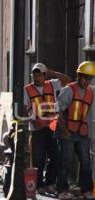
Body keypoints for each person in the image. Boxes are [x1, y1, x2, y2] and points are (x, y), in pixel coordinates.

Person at [23, 63, 71, 195]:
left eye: (39, 74)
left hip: (52, 127)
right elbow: (23, 109)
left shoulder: (52, 84)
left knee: (56, 156)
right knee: (38, 159)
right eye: (34, 74)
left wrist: (51, 72)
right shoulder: (27, 89)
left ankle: (49, 182)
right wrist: (33, 120)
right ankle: (39, 186)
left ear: (45, 75)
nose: (36, 77)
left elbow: (68, 80)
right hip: (37, 129)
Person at [57, 61, 95, 200]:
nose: (87, 81)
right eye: (85, 77)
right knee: (65, 161)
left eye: (89, 78)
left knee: (86, 161)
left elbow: (88, 114)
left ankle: (86, 190)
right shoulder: (69, 90)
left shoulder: (91, 92)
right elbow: (59, 111)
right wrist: (64, 129)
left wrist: (90, 134)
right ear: (78, 76)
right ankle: (62, 189)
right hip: (67, 130)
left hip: (82, 132)